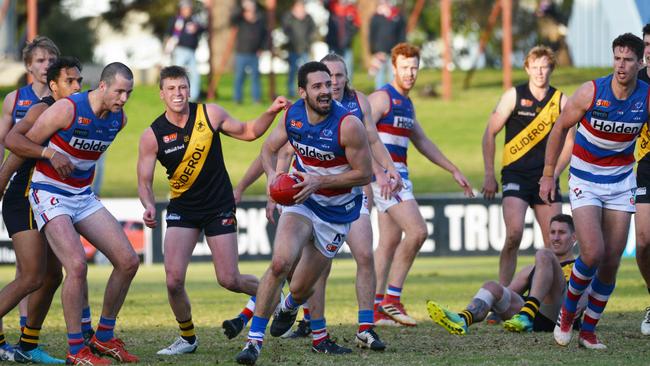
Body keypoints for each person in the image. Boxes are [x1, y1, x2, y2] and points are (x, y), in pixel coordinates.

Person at [222, 53, 401, 352]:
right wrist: (272, 176)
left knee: (301, 287)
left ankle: (291, 305)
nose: (326, 91)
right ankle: (253, 343)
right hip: (302, 202)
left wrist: (320, 180)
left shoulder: (348, 124)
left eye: (329, 85)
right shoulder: (292, 115)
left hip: (338, 212)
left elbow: (364, 174)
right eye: (317, 86)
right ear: (302, 92)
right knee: (280, 263)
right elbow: (267, 149)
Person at [137, 65, 288, 356]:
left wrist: (270, 111)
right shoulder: (152, 134)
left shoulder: (210, 114)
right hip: (183, 208)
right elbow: (143, 181)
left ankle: (270, 291)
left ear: (189, 89)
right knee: (173, 280)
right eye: (171, 89)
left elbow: (248, 131)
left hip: (219, 205)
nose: (178, 94)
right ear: (161, 94)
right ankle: (188, 338)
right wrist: (148, 205)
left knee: (229, 279)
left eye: (182, 87)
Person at [11, 62, 140, 364]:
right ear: (103, 86)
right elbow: (18, 141)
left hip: (81, 194)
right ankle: (75, 350)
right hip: (49, 192)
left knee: (128, 261)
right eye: (119, 91)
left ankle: (104, 338)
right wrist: (49, 153)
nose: (123, 98)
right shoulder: (68, 109)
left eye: (129, 93)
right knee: (76, 265)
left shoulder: (118, 120)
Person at [540, 33, 647, 350]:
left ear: (640, 63)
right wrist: (548, 175)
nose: (621, 65)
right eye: (617, 58)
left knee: (612, 261)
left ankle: (588, 331)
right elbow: (559, 128)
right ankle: (567, 312)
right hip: (585, 179)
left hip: (621, 181)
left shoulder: (646, 97)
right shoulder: (591, 91)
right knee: (593, 253)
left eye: (628, 60)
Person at [369, 43, 473, 327]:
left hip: (397, 175)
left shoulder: (407, 103)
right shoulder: (381, 98)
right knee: (418, 231)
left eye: (414, 68)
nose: (410, 73)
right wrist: (378, 171)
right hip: (387, 178)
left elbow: (423, 141)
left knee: (388, 243)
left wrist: (452, 169)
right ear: (394, 68)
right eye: (405, 68)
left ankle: (376, 307)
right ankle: (391, 299)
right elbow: (360, 132)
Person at [481, 45, 572, 289]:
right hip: (516, 176)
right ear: (527, 69)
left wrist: (552, 174)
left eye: (544, 67)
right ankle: (501, 297)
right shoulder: (514, 96)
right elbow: (489, 133)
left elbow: (571, 142)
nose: (540, 72)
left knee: (556, 242)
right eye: (535, 67)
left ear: (551, 68)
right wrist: (489, 174)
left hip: (546, 178)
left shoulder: (561, 100)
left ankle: (553, 301)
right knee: (514, 235)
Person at [0, 37, 61, 363]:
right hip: (21, 189)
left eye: (51, 58)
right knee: (31, 274)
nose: (46, 64)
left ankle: (28, 343)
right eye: (39, 60)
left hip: (49, 193)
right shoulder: (17, 99)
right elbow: (6, 143)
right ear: (28, 66)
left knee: (52, 275)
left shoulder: (64, 101)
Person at [427, 214, 578, 334]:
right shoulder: (532, 269)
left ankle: (526, 315)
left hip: (561, 315)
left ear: (574, 237)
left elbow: (583, 301)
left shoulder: (580, 267)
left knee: (543, 254)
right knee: (492, 287)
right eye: (552, 232)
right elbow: (507, 294)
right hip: (535, 318)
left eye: (562, 232)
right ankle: (463, 319)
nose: (556, 237)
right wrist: (487, 302)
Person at [634, 23, 650, 336]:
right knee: (644, 243)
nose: (649, 50)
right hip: (645, 167)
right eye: (646, 44)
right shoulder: (636, 83)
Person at [165, 0, 206, 102]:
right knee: (176, 75)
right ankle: (173, 96)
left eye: (189, 8)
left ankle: (193, 98)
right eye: (186, 8)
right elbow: (169, 34)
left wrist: (197, 28)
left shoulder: (194, 20)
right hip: (179, 51)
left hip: (191, 52)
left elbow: (203, 29)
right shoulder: (176, 20)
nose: (188, 10)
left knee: (195, 75)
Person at [231, 0, 268, 104]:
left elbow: (265, 35)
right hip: (241, 53)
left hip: (254, 54)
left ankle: (256, 99)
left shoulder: (260, 19)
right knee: (239, 77)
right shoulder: (240, 19)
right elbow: (232, 19)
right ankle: (237, 99)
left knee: (255, 77)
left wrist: (262, 48)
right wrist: (242, 8)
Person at [282, 0, 315, 98]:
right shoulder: (289, 17)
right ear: (294, 8)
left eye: (302, 8)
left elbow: (313, 30)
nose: (301, 10)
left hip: (305, 48)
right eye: (299, 8)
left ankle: (307, 91)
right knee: (292, 71)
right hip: (293, 49)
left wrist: (309, 41)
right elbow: (285, 29)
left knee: (307, 72)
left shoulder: (308, 18)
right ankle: (291, 91)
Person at [369, 0, 405, 89]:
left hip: (394, 51)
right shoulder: (376, 17)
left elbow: (401, 34)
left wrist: (400, 49)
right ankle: (379, 97)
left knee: (393, 76)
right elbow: (372, 35)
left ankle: (393, 96)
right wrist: (374, 50)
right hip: (380, 52)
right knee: (379, 77)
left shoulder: (397, 16)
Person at [324, 0, 359, 79]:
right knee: (331, 69)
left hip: (347, 45)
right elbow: (325, 3)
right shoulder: (332, 6)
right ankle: (331, 89)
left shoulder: (351, 9)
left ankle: (347, 89)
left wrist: (349, 35)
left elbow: (357, 25)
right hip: (333, 44)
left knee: (348, 70)